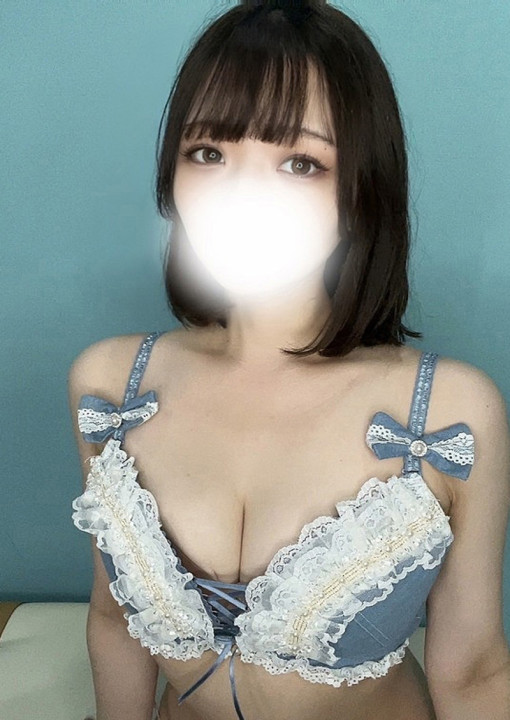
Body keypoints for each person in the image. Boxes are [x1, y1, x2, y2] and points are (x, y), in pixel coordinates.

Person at [69, 1, 510, 719]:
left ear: (361, 189)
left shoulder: (449, 414)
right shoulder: (110, 385)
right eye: (207, 152)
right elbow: (115, 620)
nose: (240, 195)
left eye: (300, 162)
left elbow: (474, 671)